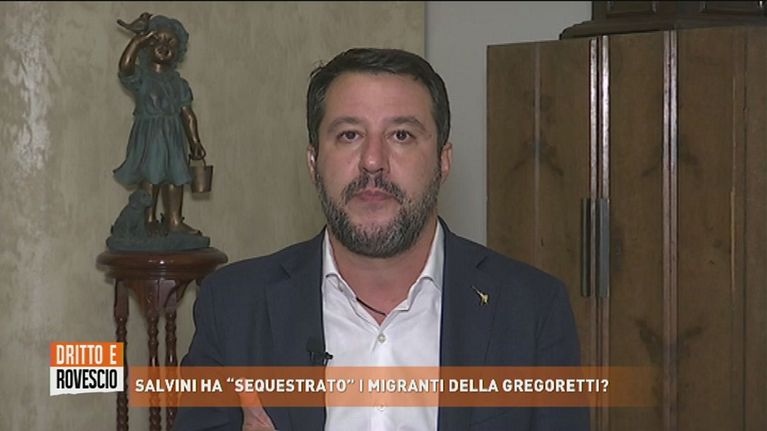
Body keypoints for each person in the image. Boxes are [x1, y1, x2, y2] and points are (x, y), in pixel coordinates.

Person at [175, 48, 588, 431]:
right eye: (349, 135)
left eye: (401, 135)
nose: (373, 161)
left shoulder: (532, 309)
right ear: (313, 162)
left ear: (443, 161)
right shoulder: (232, 307)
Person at [115, 13, 206, 236]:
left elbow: (188, 114)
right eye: (158, 41)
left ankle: (174, 220)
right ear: (148, 47)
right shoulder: (142, 77)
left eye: (171, 43)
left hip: (173, 137)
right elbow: (125, 68)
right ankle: (148, 219)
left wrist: (195, 142)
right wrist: (136, 42)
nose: (164, 47)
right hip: (150, 135)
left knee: (176, 176)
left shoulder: (179, 83)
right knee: (151, 175)